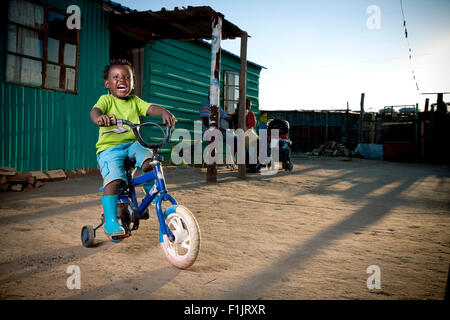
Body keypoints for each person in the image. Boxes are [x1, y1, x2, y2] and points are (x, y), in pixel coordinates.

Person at [90, 59, 176, 237]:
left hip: (132, 144)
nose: (122, 80)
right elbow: (95, 111)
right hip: (109, 149)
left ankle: (150, 189)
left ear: (133, 83)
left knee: (149, 160)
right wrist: (100, 118)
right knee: (114, 179)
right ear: (107, 83)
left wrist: (163, 112)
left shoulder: (135, 101)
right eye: (116, 77)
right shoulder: (106, 100)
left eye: (127, 77)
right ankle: (111, 222)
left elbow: (150, 107)